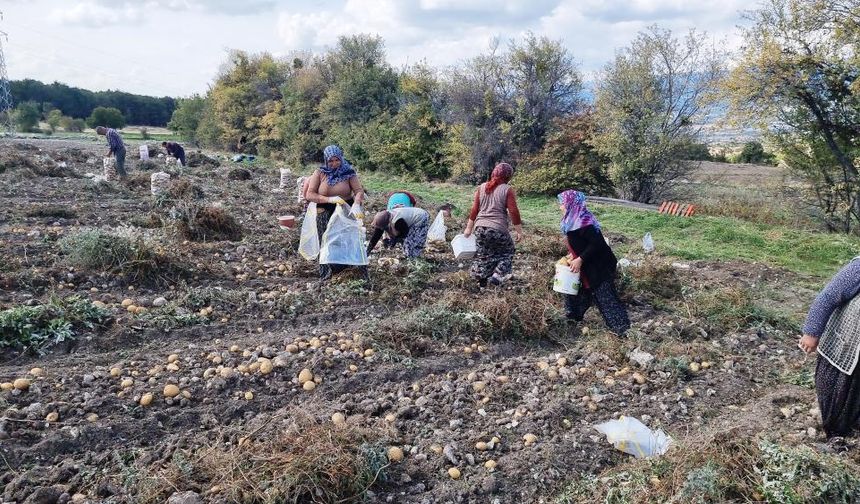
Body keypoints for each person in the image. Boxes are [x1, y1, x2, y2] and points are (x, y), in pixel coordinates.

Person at [798, 257, 860, 438]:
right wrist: (811, 332)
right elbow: (828, 297)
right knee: (833, 389)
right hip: (844, 346)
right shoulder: (857, 269)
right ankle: (835, 433)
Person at [557, 189, 630, 336]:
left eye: (563, 203)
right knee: (577, 293)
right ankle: (573, 318)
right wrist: (572, 256)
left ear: (572, 204)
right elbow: (582, 244)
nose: (560, 207)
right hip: (587, 267)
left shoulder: (584, 223)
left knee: (605, 297)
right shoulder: (573, 221)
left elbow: (597, 244)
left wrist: (580, 259)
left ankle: (622, 330)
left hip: (599, 267)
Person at [304, 145, 367, 280]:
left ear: (341, 158)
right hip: (324, 209)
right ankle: (326, 273)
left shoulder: (348, 172)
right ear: (326, 160)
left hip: (346, 210)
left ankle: (350, 268)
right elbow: (309, 195)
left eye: (337, 160)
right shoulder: (320, 173)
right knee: (326, 241)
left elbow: (358, 191)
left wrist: (356, 203)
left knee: (348, 240)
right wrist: (329, 199)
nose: (334, 164)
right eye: (330, 161)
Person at [463, 162, 523, 287]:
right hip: (497, 228)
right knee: (508, 251)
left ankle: (481, 280)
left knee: (484, 255)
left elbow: (474, 209)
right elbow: (513, 211)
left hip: (480, 228)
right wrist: (519, 231)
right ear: (508, 176)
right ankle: (497, 275)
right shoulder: (507, 189)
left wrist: (469, 228)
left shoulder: (482, 187)